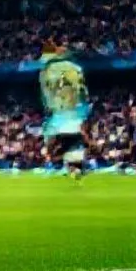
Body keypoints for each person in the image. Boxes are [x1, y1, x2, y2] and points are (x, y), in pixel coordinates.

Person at [38, 42, 90, 180]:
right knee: (64, 140)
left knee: (52, 139)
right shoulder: (76, 69)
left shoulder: (48, 70)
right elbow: (83, 91)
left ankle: (62, 167)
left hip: (63, 112)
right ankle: (69, 167)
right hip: (73, 111)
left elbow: (46, 92)